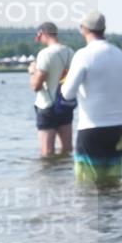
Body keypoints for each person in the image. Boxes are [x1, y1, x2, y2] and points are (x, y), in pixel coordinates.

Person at [61, 11, 122, 183]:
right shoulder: (120, 55)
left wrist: (65, 82)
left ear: (84, 29)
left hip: (90, 130)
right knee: (113, 182)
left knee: (87, 186)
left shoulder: (83, 55)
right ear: (104, 29)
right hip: (117, 130)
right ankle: (115, 211)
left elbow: (67, 93)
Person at [28, 21, 75, 156]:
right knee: (67, 150)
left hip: (47, 106)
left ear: (43, 33)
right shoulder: (70, 52)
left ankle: (49, 177)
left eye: (39, 35)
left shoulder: (45, 54)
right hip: (65, 105)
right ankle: (64, 176)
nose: (39, 39)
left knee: (47, 152)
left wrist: (32, 71)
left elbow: (36, 86)